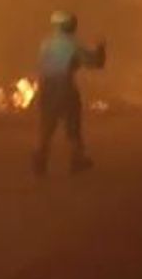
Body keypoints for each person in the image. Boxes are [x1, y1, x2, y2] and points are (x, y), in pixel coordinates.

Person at [34, 10, 107, 176]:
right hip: (64, 86)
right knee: (73, 125)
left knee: (46, 126)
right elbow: (94, 63)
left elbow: (42, 65)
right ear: (71, 26)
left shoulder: (46, 43)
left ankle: (40, 161)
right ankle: (77, 160)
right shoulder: (73, 44)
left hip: (46, 87)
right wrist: (101, 49)